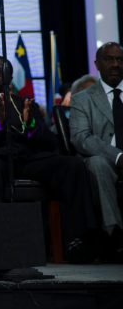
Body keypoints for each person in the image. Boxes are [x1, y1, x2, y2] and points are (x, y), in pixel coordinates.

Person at [0, 55, 96, 262]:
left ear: (10, 77)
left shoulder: (25, 104)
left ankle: (77, 240)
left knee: (71, 165)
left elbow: (49, 142)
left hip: (26, 160)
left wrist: (29, 127)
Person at [70, 42, 123, 260]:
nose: (115, 64)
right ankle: (116, 235)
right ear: (97, 64)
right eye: (109, 59)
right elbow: (81, 138)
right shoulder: (83, 98)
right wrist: (118, 157)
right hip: (106, 161)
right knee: (97, 163)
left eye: (120, 60)